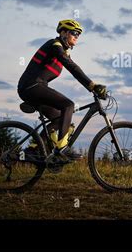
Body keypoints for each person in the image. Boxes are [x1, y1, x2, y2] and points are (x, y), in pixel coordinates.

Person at [17, 19, 107, 161]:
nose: (77, 36)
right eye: (74, 33)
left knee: (59, 119)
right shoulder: (55, 45)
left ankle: (32, 149)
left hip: (35, 88)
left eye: (78, 34)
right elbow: (72, 67)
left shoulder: (62, 51)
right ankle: (62, 147)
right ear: (63, 33)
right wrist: (92, 85)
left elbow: (74, 68)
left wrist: (92, 87)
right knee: (68, 105)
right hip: (31, 86)